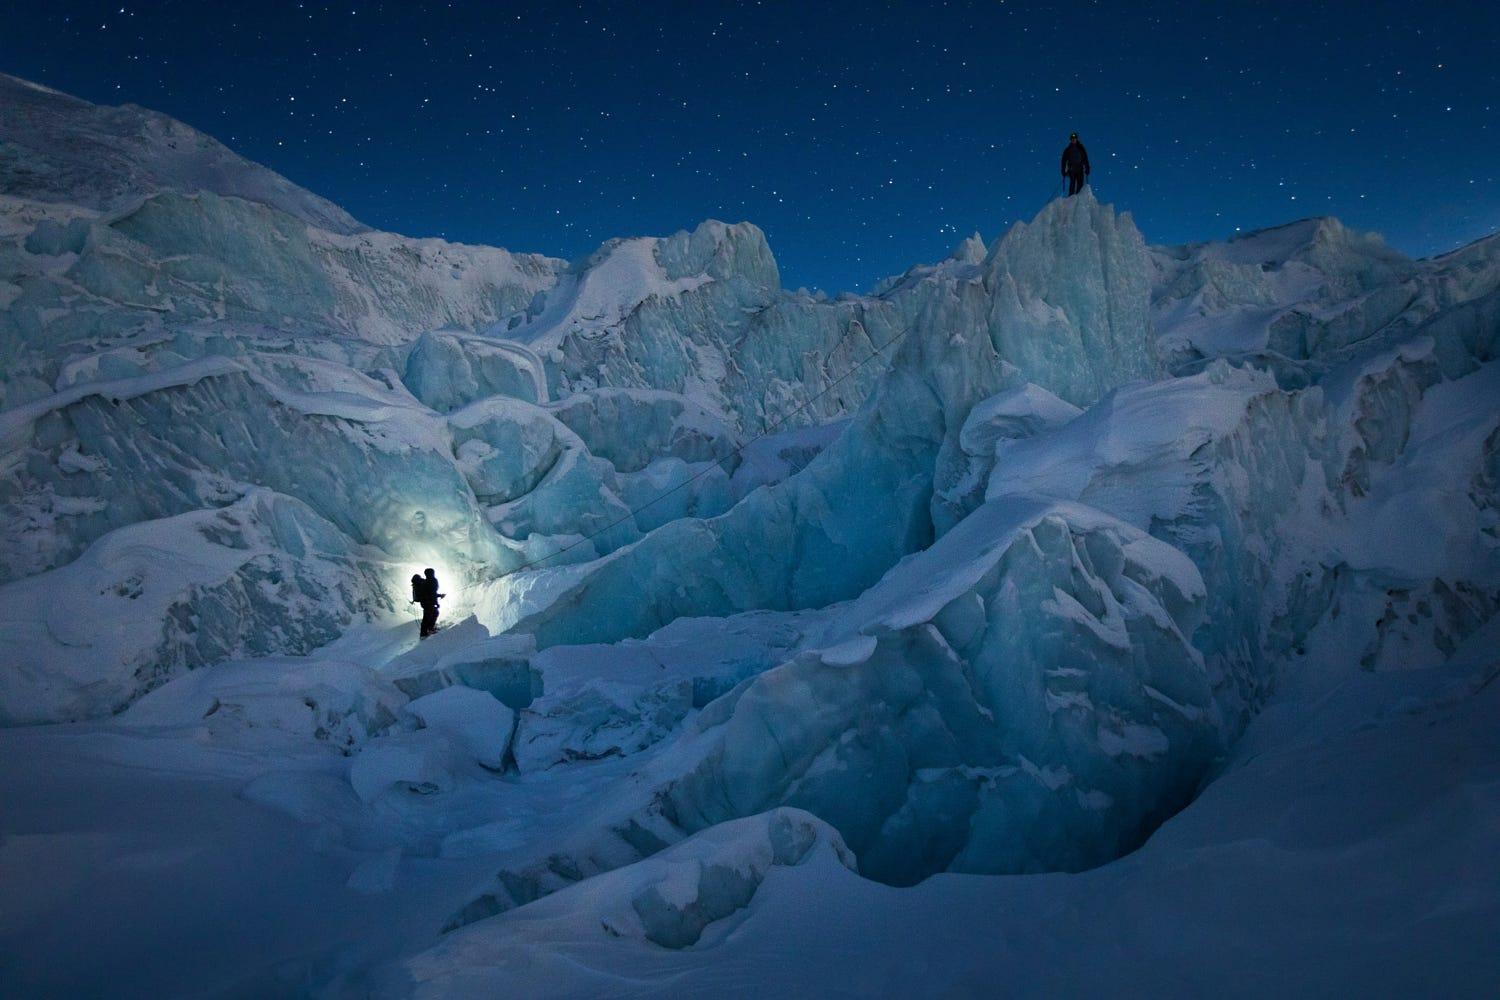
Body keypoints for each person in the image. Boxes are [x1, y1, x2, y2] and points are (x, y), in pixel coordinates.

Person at [416, 567, 444, 638]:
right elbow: (432, 593)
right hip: (428, 602)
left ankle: (428, 629)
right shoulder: (431, 581)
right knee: (429, 616)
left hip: (426, 602)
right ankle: (424, 633)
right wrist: (437, 601)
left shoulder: (426, 582)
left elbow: (431, 593)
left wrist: (439, 596)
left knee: (433, 613)